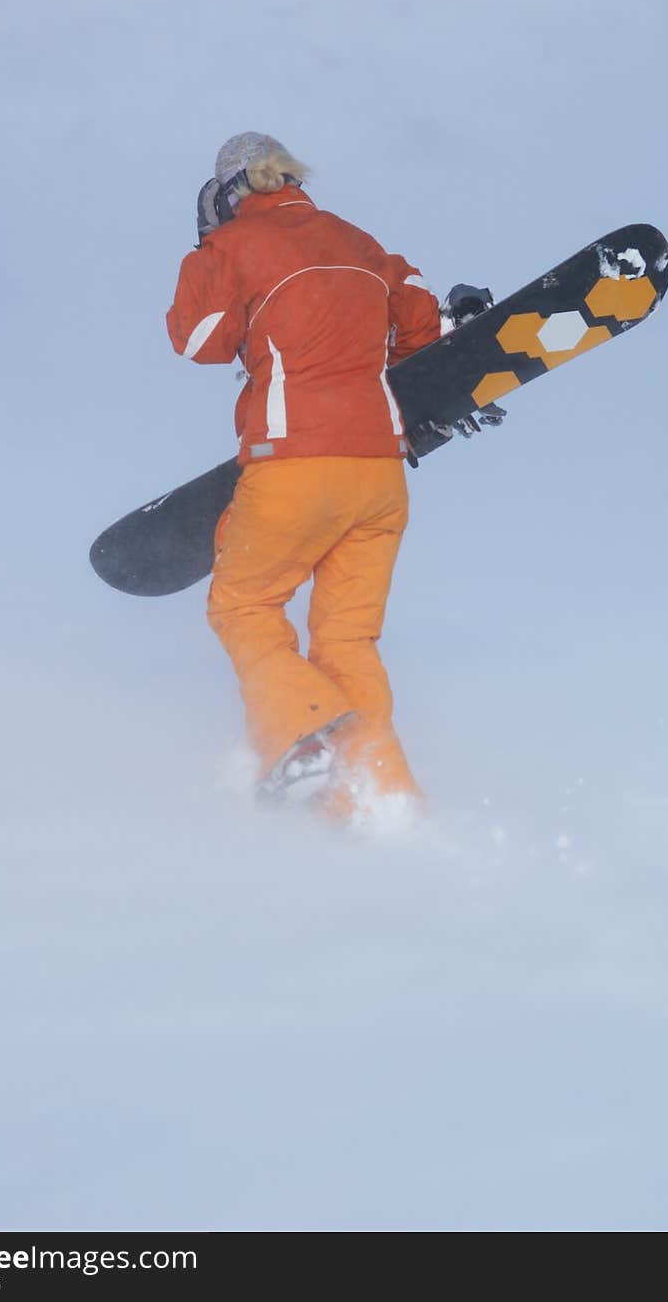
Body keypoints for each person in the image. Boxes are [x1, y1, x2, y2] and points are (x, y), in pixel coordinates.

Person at [166, 132, 448, 822]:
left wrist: (212, 251)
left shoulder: (233, 247)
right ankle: (380, 800)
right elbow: (420, 325)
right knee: (347, 641)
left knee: (243, 607)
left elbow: (197, 340)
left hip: (295, 465)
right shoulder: (359, 242)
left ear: (228, 194)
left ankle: (299, 735)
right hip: (381, 473)